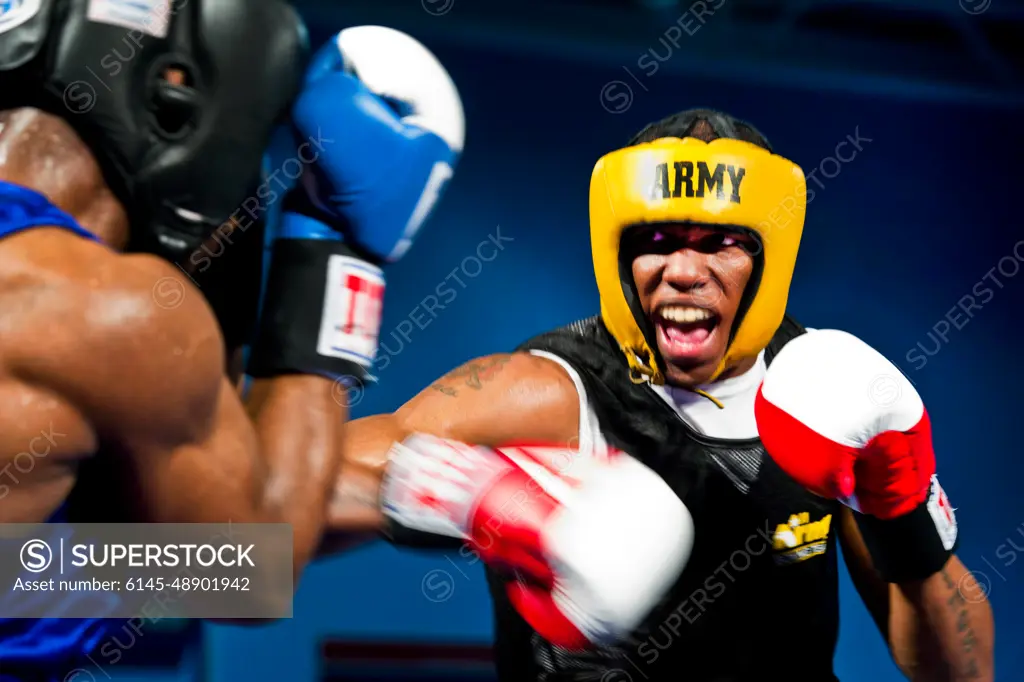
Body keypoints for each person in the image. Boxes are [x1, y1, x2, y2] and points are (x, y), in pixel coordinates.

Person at [322, 110, 994, 681]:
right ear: (620, 255)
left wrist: (903, 508)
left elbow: (961, 674)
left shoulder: (826, 395)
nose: (682, 272)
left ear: (768, 257)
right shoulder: (548, 392)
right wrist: (471, 494)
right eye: (657, 241)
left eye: (722, 244)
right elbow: (261, 527)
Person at [0, 0, 463, 677]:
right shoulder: (105, 311)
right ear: (175, 103)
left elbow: (42, 562)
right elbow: (246, 569)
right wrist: (339, 252)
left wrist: (452, 497)